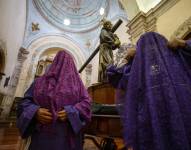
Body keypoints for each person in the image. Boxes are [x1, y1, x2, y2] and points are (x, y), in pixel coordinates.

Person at [107, 32, 191, 150]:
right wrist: (129, 59)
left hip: (170, 117)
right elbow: (115, 78)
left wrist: (183, 44)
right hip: (150, 120)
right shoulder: (136, 68)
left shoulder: (175, 55)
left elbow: (115, 78)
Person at [17, 50, 92, 150]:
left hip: (68, 137)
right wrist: (35, 111)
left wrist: (71, 112)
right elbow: (25, 103)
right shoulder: (39, 82)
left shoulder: (78, 84)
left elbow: (86, 104)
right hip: (42, 138)